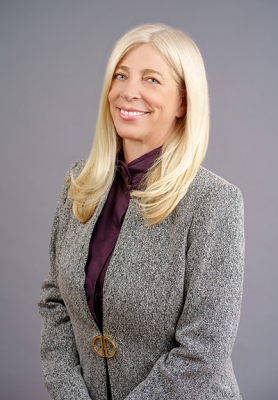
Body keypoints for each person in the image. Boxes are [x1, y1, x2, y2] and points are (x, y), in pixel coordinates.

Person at [38, 23, 244, 400]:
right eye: (121, 75)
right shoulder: (79, 184)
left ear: (183, 102)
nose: (128, 91)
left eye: (151, 79)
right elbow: (55, 304)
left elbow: (204, 351)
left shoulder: (214, 202)